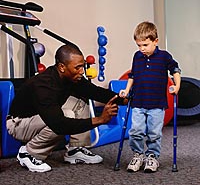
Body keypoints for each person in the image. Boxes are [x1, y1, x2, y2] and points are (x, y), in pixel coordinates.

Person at [6, 43, 126, 172]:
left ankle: (75, 149)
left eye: (83, 66)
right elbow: (59, 125)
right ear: (62, 67)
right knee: (67, 115)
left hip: (39, 117)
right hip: (19, 124)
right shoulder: (43, 86)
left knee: (80, 101)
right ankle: (29, 153)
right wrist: (100, 120)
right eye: (78, 67)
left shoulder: (71, 77)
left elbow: (95, 92)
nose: (82, 71)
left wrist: (125, 100)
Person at [119, 21, 181, 173]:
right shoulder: (137, 57)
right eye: (139, 45)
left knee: (154, 133)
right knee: (135, 131)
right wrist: (126, 90)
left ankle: (152, 156)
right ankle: (138, 154)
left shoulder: (164, 57)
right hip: (139, 101)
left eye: (145, 45)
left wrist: (177, 85)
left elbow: (175, 69)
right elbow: (132, 75)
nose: (142, 49)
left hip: (157, 104)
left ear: (155, 41)